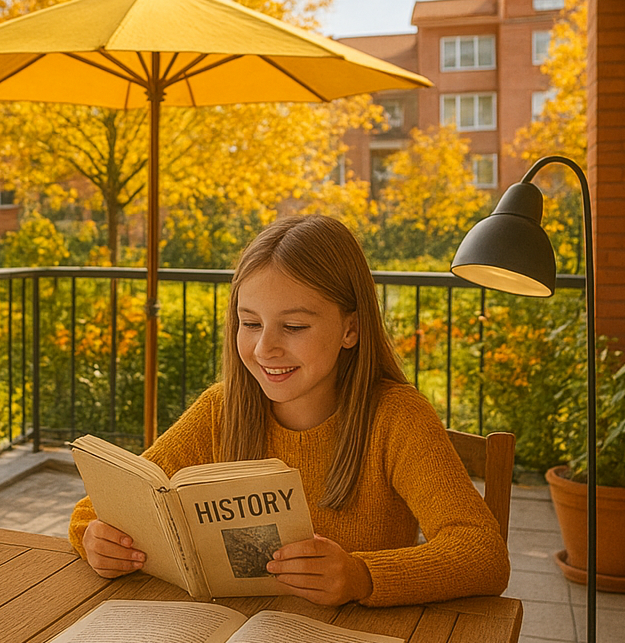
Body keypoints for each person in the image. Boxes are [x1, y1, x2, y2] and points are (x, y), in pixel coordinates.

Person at [71, 215, 510, 607]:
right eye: (251, 323)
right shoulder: (220, 410)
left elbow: (483, 554)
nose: (265, 348)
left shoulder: (396, 418)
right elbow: (96, 508)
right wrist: (95, 538)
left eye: (294, 326)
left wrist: (362, 576)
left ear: (351, 328)